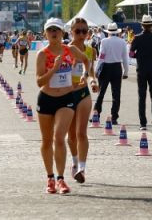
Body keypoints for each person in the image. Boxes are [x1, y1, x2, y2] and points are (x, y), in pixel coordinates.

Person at [35, 18, 92, 194]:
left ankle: (61, 179)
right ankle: (50, 177)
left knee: (59, 137)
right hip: (46, 98)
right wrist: (54, 68)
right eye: (50, 30)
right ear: (45, 33)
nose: (54, 33)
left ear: (62, 33)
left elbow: (86, 60)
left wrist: (85, 74)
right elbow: (39, 81)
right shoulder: (42, 54)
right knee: (46, 140)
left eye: (57, 30)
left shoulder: (70, 50)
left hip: (66, 99)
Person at [66, 17, 99, 183]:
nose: (81, 34)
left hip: (83, 93)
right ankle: (74, 162)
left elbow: (91, 70)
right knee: (71, 135)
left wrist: (93, 81)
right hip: (67, 94)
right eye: (77, 31)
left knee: (81, 132)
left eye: (84, 31)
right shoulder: (65, 49)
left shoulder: (90, 51)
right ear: (71, 31)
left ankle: (82, 168)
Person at [130, 15, 152, 130]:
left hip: (141, 70)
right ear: (151, 26)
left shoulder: (137, 38)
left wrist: (138, 55)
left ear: (142, 25)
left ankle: (143, 123)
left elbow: (130, 53)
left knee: (142, 96)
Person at [94, 22, 129, 125]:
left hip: (106, 67)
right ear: (117, 32)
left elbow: (101, 57)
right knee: (116, 94)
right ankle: (114, 117)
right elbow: (125, 59)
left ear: (108, 32)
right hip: (117, 67)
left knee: (101, 93)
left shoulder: (104, 41)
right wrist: (125, 72)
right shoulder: (122, 42)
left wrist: (96, 70)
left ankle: (97, 114)